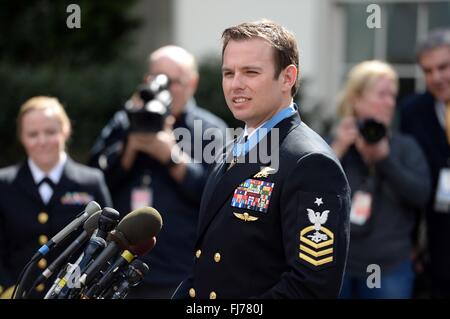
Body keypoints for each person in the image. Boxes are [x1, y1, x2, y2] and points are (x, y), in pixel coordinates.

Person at [173, 20, 351, 299]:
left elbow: (310, 287)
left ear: (288, 77)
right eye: (228, 73)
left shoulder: (310, 162)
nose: (236, 84)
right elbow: (206, 263)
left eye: (251, 72)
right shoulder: (232, 149)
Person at [89, 45, 228, 298]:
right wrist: (129, 148)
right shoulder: (124, 121)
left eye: (172, 82)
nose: (163, 89)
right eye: (156, 80)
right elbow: (95, 178)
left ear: (192, 83)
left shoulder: (209, 129)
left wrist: (171, 156)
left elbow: (216, 194)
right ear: (146, 81)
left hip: (180, 271)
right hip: (118, 267)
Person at [331, 61, 430, 299]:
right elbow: (308, 191)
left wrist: (385, 159)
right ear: (356, 99)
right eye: (382, 94)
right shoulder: (333, 144)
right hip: (336, 264)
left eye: (393, 96)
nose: (390, 103)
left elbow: (421, 195)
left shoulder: (405, 147)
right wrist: (338, 149)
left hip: (390, 266)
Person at [0, 96, 112, 299]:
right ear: (22, 137)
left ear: (65, 130)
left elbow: (107, 243)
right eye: (33, 134)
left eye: (50, 132)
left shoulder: (91, 181)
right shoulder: (4, 184)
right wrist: (9, 290)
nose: (42, 141)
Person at [400, 29, 450, 298]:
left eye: (444, 67)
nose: (436, 78)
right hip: (436, 236)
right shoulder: (412, 111)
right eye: (428, 71)